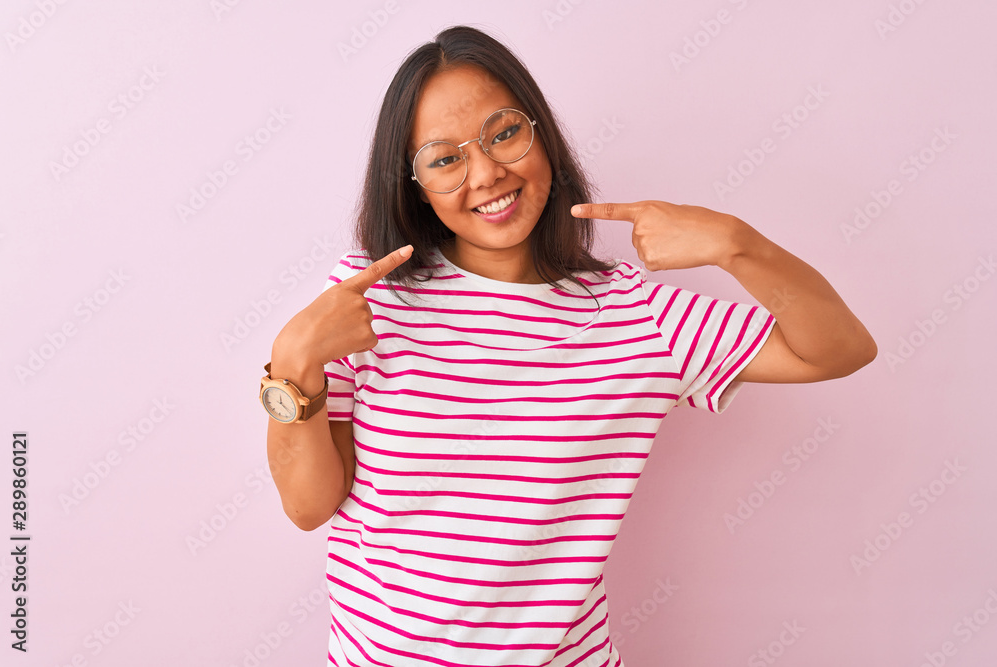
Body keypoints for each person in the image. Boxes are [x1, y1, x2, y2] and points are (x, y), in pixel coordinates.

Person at [262, 25, 876, 667]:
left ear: (541, 134)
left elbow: (839, 349)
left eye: (503, 133)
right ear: (413, 183)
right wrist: (293, 360)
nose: (486, 173)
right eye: (445, 159)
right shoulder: (370, 296)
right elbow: (309, 506)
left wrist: (736, 243)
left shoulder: (636, 315)